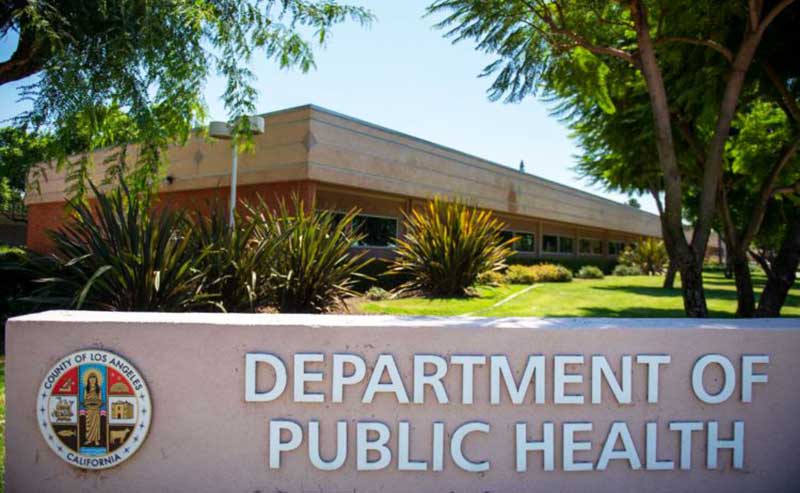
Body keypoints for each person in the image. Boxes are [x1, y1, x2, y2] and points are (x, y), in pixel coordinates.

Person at [83, 372, 102, 446]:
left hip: (96, 408)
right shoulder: (86, 388)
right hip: (89, 409)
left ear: (96, 380)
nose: (92, 380)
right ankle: (89, 439)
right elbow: (85, 399)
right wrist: (87, 403)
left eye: (94, 378)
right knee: (89, 425)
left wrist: (97, 403)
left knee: (96, 424)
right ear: (88, 380)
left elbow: (100, 399)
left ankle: (96, 440)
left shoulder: (98, 388)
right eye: (91, 378)